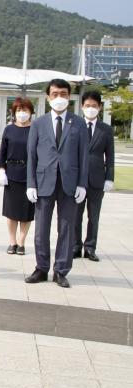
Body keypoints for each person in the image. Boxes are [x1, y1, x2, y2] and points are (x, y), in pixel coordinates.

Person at [25, 79, 89, 288]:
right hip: (44, 181)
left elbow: (84, 156)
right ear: (48, 97)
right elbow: (31, 155)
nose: (59, 97)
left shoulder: (78, 123)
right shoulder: (38, 123)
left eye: (63, 94)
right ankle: (41, 267)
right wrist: (31, 183)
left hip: (69, 183)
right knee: (41, 228)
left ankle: (61, 270)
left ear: (69, 97)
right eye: (55, 94)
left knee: (67, 228)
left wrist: (82, 184)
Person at [73, 90, 114, 261]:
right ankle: (75, 246)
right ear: (82, 106)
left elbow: (110, 156)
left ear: (100, 107)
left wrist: (109, 177)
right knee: (76, 215)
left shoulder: (106, 130)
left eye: (94, 106)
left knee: (94, 216)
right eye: (88, 105)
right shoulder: (75, 126)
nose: (91, 108)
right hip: (77, 179)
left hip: (97, 179)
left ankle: (90, 248)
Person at [0, 97, 35, 255]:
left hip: (29, 175)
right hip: (11, 174)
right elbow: (2, 152)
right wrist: (1, 170)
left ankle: (21, 242)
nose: (22, 113)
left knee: (26, 213)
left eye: (25, 110)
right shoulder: (9, 129)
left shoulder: (35, 129)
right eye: (19, 110)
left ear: (31, 112)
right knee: (11, 212)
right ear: (14, 112)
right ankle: (12, 242)